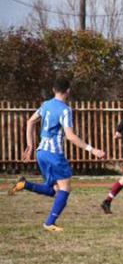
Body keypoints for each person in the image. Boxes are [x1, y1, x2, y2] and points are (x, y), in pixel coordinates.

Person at [8, 78, 106, 232]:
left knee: (54, 190)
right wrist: (92, 150)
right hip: (54, 154)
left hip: (41, 153)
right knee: (65, 189)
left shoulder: (45, 105)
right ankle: (49, 223)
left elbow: (30, 122)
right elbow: (70, 136)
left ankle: (25, 184)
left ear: (53, 89)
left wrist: (30, 144)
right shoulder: (65, 110)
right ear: (68, 91)